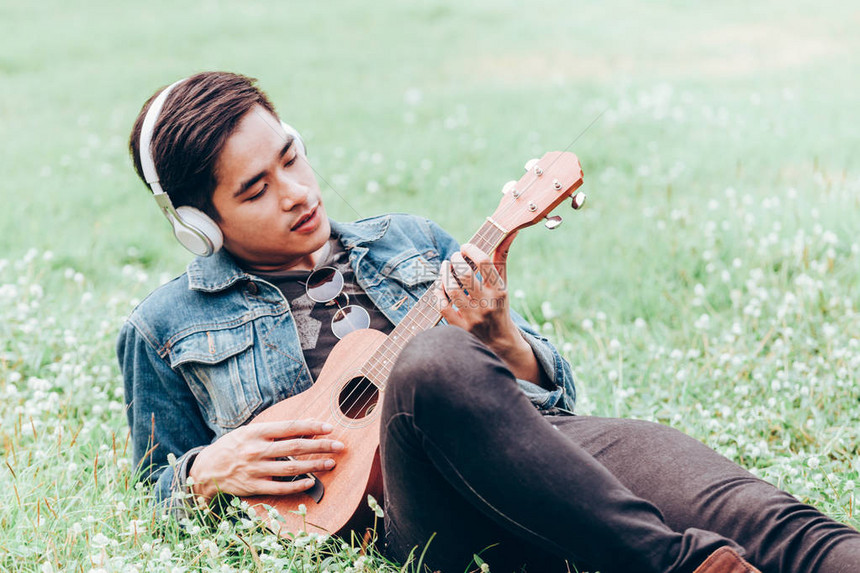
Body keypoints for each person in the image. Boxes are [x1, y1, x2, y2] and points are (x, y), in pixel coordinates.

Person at [119, 71, 860, 573]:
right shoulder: (165, 326)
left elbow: (553, 404)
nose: (296, 192)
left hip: (544, 458)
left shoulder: (406, 239)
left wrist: (502, 336)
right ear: (199, 225)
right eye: (256, 189)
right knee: (432, 362)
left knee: (774, 524)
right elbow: (157, 491)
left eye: (292, 156)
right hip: (415, 521)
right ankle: (673, 563)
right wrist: (205, 470)